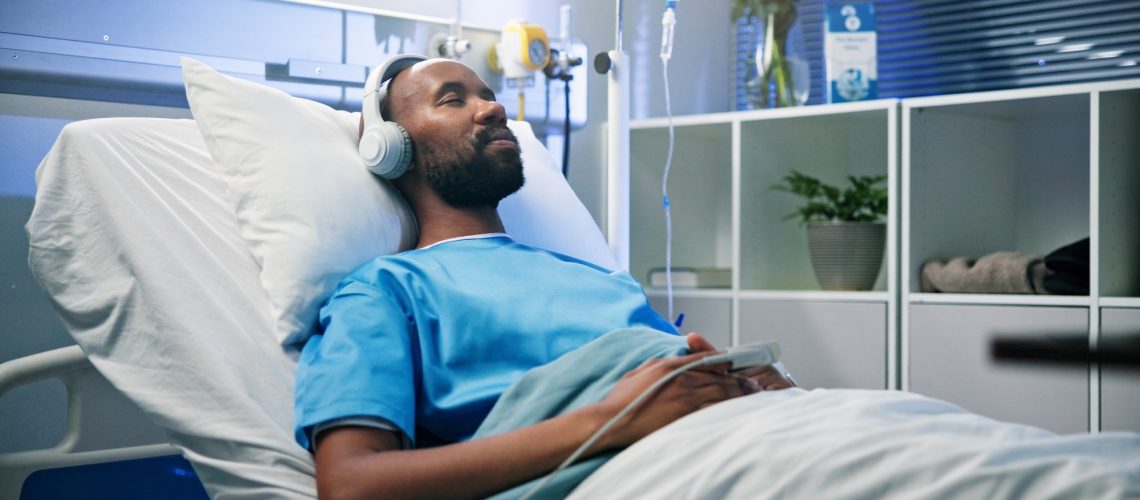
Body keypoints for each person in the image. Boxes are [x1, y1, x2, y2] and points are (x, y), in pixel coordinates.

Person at [293, 56, 794, 499]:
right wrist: (612, 420)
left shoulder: (602, 280)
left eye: (489, 97)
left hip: (754, 440)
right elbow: (352, 483)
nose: (493, 110)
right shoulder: (386, 292)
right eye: (452, 100)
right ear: (393, 148)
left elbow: (676, 386)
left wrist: (752, 385)